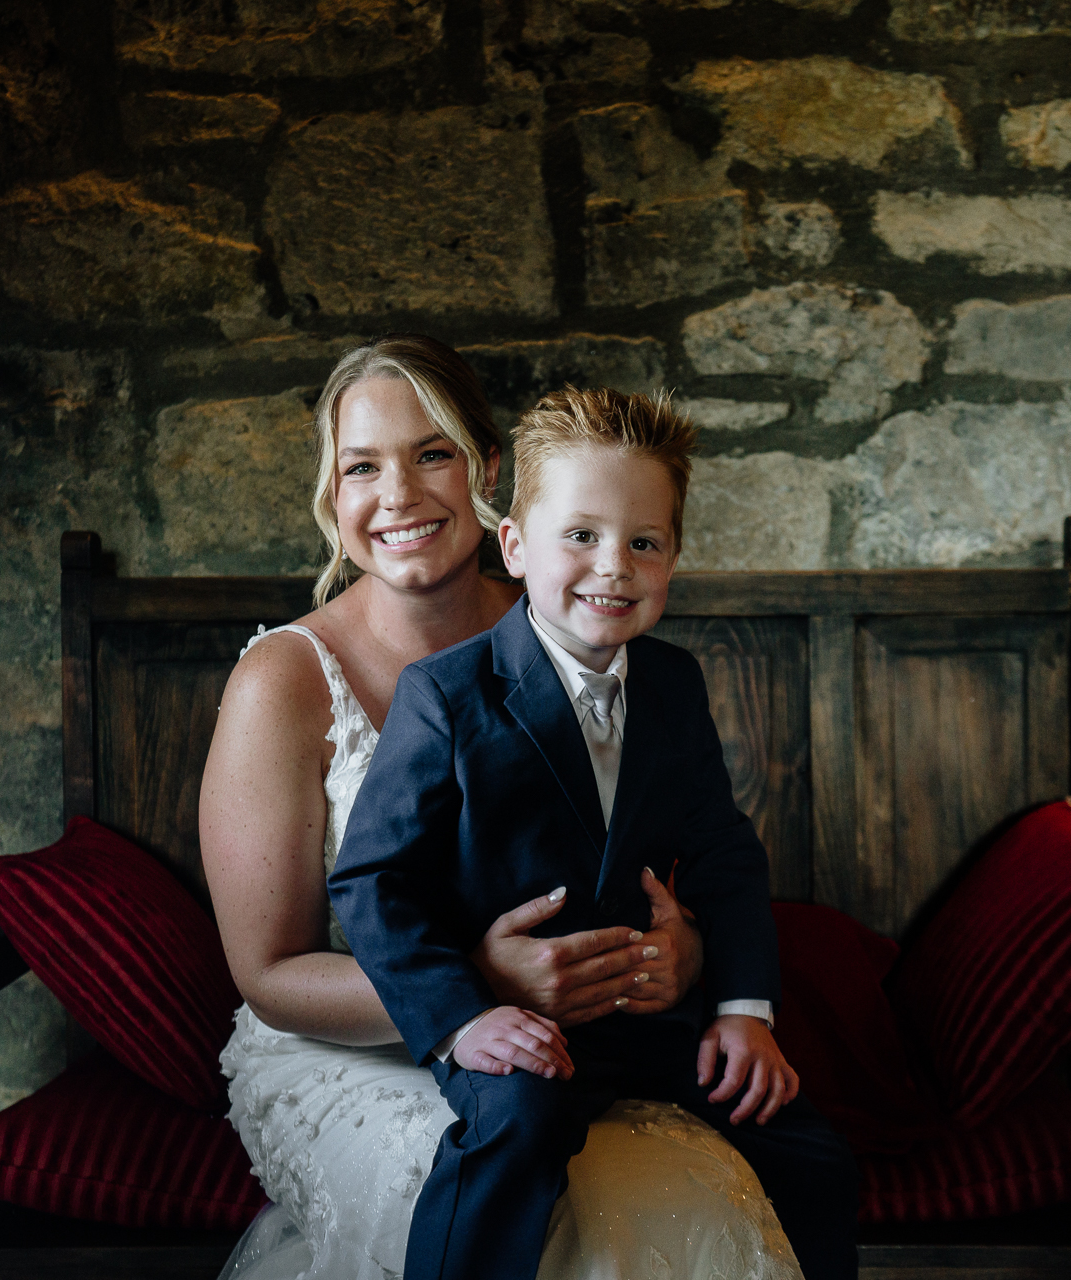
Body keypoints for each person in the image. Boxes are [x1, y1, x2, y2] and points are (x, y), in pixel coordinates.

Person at [200, 335, 805, 1280]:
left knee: (699, 1196)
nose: (398, 495)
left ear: (488, 474)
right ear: (333, 491)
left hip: (585, 1029)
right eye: (363, 466)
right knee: (563, 1220)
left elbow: (677, 854)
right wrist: (478, 989)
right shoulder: (282, 679)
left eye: (431, 453)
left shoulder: (580, 619)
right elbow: (271, 974)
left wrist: (683, 955)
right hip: (362, 1042)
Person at [328, 387, 859, 1280]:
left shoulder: (675, 684)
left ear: (672, 559)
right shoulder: (449, 695)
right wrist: (464, 1021)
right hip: (518, 1022)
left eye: (642, 543)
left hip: (647, 1022)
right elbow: (372, 882)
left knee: (806, 1145)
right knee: (516, 1132)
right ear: (516, 546)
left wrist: (741, 1011)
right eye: (580, 536)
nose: (612, 567)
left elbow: (724, 853)